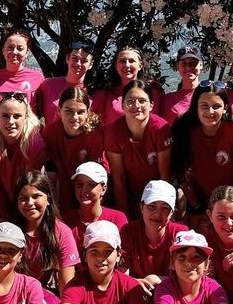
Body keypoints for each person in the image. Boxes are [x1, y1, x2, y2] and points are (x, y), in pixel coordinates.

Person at [171, 80, 233, 226]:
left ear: (225, 107)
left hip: (231, 197)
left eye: (216, 106)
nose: (210, 112)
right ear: (195, 107)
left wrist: (231, 206)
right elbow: (180, 170)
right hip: (196, 198)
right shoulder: (184, 128)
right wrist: (197, 206)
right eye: (204, 106)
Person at [10, 171, 79, 304]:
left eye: (36, 196)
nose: (30, 203)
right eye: (23, 198)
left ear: (48, 199)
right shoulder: (8, 229)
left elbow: (67, 282)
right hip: (9, 292)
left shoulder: (61, 232)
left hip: (40, 294)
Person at [0, 91, 46, 225]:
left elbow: (28, 187)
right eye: (5, 116)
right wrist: (9, 219)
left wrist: (19, 222)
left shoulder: (36, 144)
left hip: (27, 198)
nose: (11, 122)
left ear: (26, 118)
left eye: (17, 116)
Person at [104, 80, 173, 214]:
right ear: (122, 105)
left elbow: (165, 175)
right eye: (130, 101)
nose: (136, 105)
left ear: (151, 105)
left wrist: (158, 210)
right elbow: (118, 177)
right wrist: (124, 215)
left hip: (156, 193)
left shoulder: (161, 129)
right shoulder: (113, 131)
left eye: (142, 101)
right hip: (129, 192)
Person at [41, 86, 105, 212]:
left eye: (80, 112)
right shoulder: (51, 132)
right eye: (68, 111)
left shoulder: (95, 133)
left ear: (87, 112)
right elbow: (58, 168)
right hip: (64, 178)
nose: (75, 117)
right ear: (59, 110)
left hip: (91, 180)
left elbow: (93, 172)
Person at [119, 180, 187, 294]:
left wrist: (156, 279)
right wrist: (137, 283)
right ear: (141, 207)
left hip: (172, 293)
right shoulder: (128, 232)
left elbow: (187, 277)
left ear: (171, 213)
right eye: (152, 207)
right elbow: (122, 275)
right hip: (136, 292)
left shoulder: (180, 234)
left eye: (165, 208)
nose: (157, 214)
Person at [62, 162, 128, 252]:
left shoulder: (117, 219)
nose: (84, 190)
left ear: (103, 189)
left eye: (91, 185)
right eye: (80, 184)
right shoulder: (65, 221)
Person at [92, 46, 164, 126]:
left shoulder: (155, 93)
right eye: (122, 61)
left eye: (131, 61)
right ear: (116, 65)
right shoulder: (105, 93)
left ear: (140, 65)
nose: (127, 65)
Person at [0, 28, 45, 115]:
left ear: (27, 52)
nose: (14, 52)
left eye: (20, 48)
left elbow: (42, 110)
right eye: (10, 48)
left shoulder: (37, 77)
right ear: (3, 50)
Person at [36, 40, 95, 125]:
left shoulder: (94, 92)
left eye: (84, 61)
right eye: (75, 58)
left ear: (91, 65)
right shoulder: (48, 85)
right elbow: (34, 115)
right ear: (67, 58)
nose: (78, 63)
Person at [159, 46, 204, 123]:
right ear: (178, 66)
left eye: (193, 63)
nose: (188, 67)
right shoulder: (167, 100)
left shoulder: (208, 95)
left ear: (201, 65)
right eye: (184, 63)